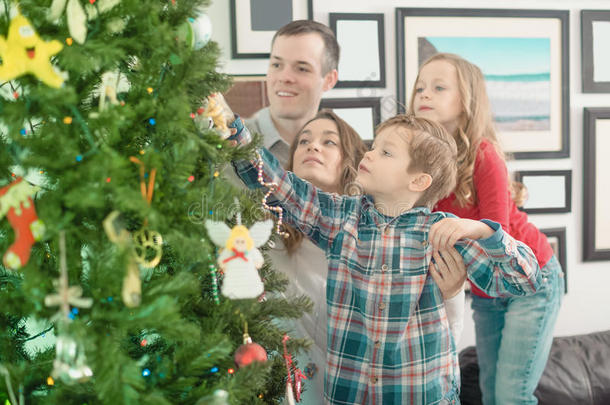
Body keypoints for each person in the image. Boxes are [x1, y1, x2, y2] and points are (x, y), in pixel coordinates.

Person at [229, 113, 542, 404]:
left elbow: (523, 280)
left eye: (385, 152)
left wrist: (480, 229)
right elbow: (282, 187)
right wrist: (235, 132)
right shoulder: (342, 219)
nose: (369, 154)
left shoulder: (442, 233)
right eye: (373, 146)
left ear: (418, 181)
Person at [410, 52, 564, 405]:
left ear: (466, 101)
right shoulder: (420, 163)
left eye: (438, 88)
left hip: (531, 281)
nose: (424, 95)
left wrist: (462, 231)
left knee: (512, 395)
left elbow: (501, 234)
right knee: (490, 391)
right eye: (420, 88)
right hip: (484, 292)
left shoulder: (483, 155)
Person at [244, 20, 339, 167]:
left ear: (329, 80)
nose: (284, 77)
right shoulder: (228, 146)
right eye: (277, 65)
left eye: (302, 68)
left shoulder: (348, 155)